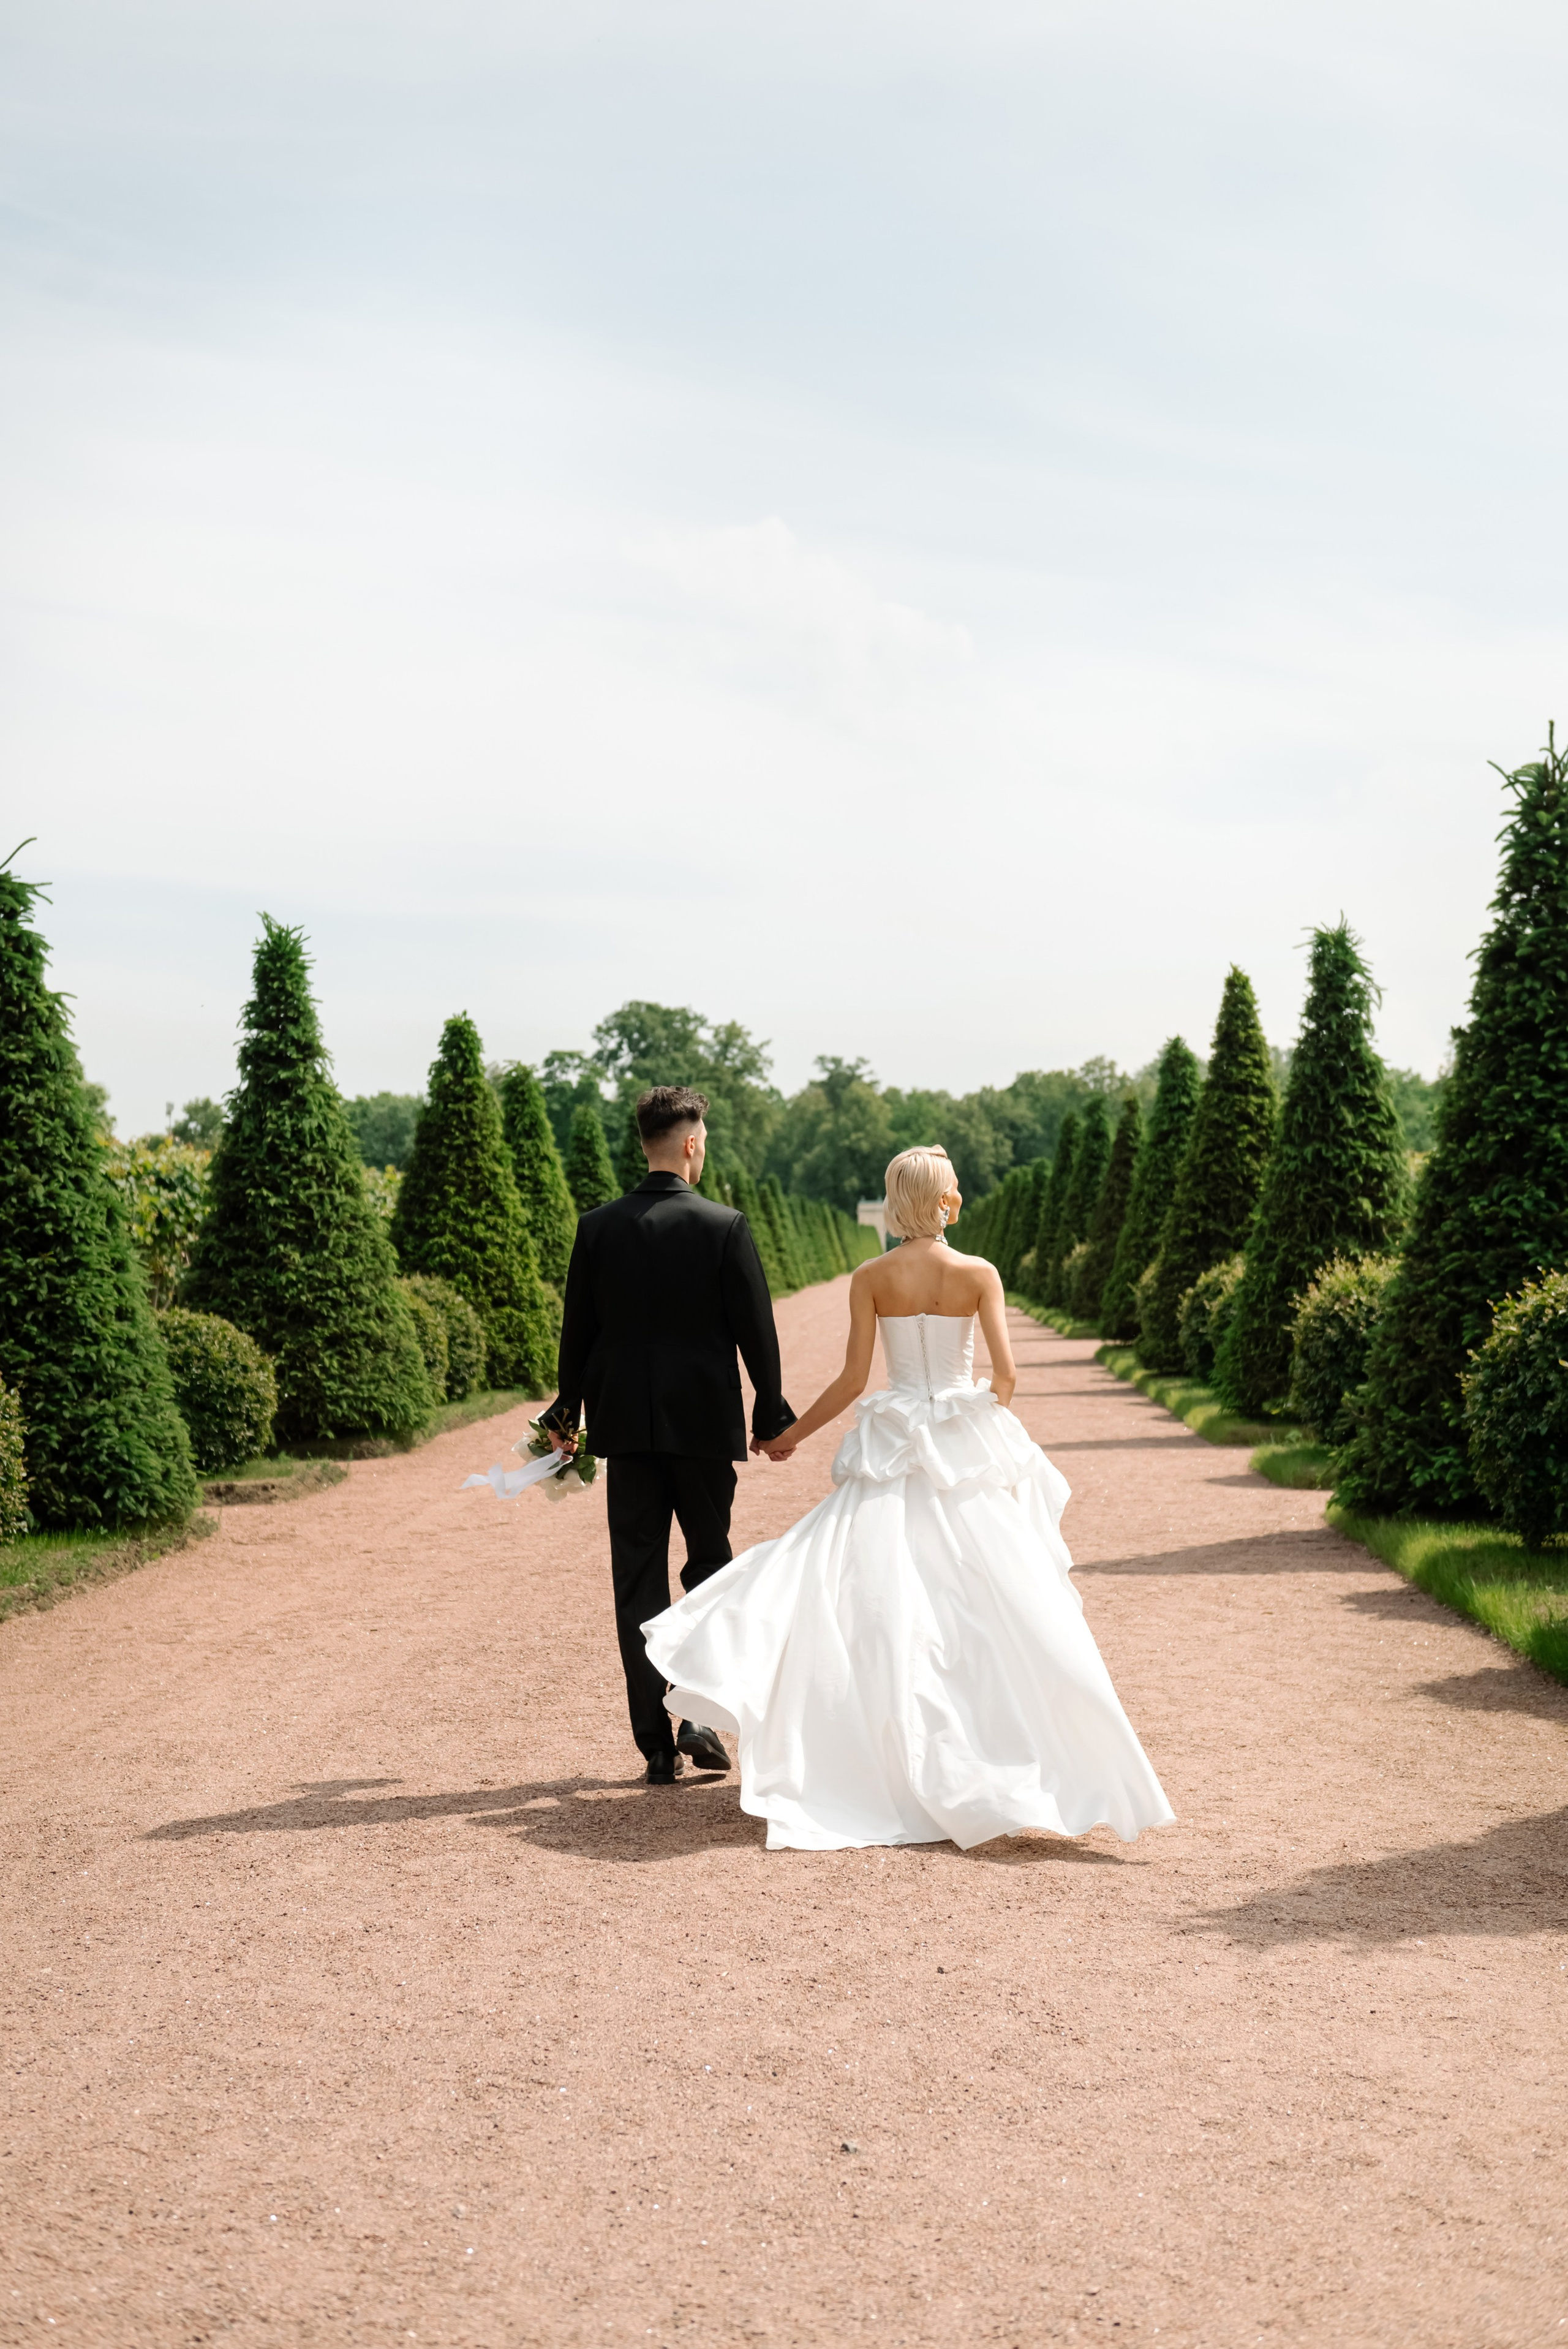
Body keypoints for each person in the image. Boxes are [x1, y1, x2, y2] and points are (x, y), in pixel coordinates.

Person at [641, 1144, 1174, 1852]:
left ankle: (875, 1754)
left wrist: (790, 1435)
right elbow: (1005, 1376)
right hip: (960, 1437)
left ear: (895, 1202)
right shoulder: (978, 1273)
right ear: (945, 1201)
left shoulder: (871, 1276)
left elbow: (854, 1379)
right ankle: (1017, 1755)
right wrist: (985, 1430)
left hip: (893, 1442)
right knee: (999, 1605)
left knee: (867, 1597)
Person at [541, 1085, 796, 1783]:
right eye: (704, 1141)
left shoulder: (597, 1227)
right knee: (710, 1567)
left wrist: (568, 1412)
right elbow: (756, 1330)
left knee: (638, 1583)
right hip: (704, 1424)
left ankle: (655, 1745)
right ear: (690, 1144)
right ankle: (702, 1718)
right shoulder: (724, 1225)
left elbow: (578, 1331)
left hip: (625, 1426)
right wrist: (769, 1410)